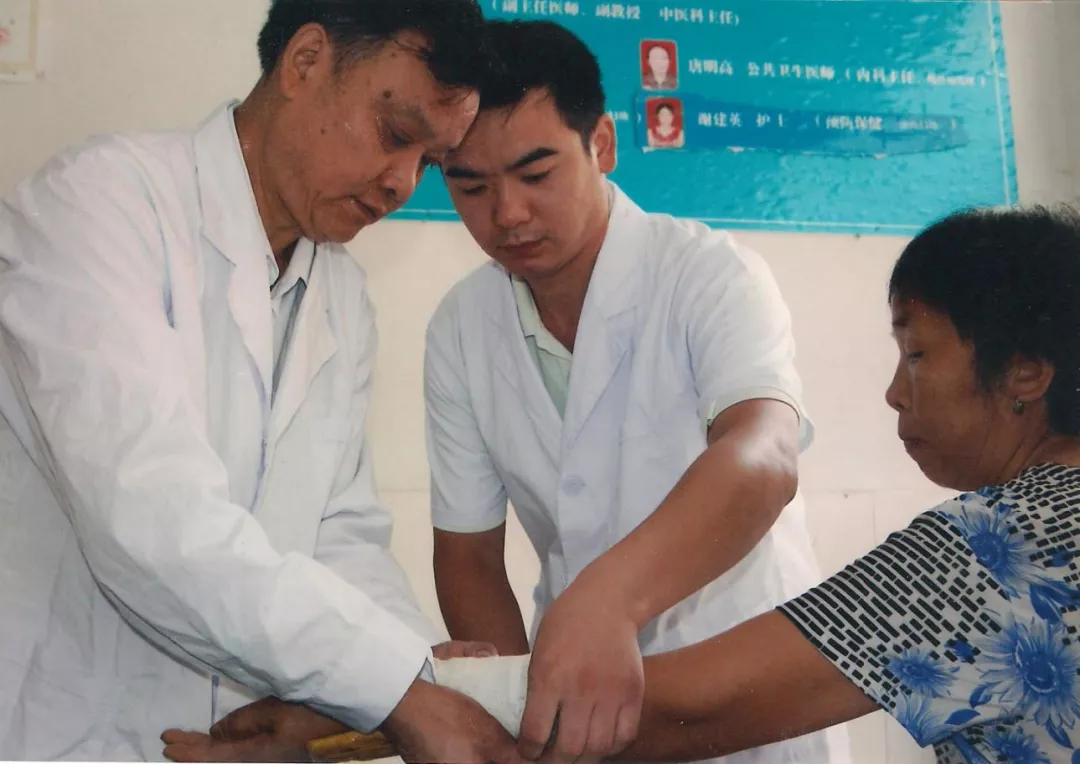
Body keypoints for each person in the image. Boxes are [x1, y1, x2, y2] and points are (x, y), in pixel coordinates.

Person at [0, 1, 521, 761]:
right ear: (305, 61)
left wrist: (419, 667)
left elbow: (340, 535)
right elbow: (152, 521)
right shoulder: (102, 205)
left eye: (430, 162)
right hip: (55, 732)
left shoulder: (342, 297)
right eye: (395, 133)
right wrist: (399, 690)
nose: (403, 182)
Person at [427, 20, 847, 764]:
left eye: (536, 174)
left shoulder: (708, 274)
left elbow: (764, 455)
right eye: (471, 186)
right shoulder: (460, 327)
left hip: (746, 692)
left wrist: (611, 599)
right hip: (582, 707)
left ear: (603, 145)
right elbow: (470, 557)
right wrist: (508, 715)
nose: (508, 213)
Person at [619, 205, 1080, 763]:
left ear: (1026, 373)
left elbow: (687, 710)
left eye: (916, 354)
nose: (895, 393)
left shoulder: (998, 546)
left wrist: (580, 630)